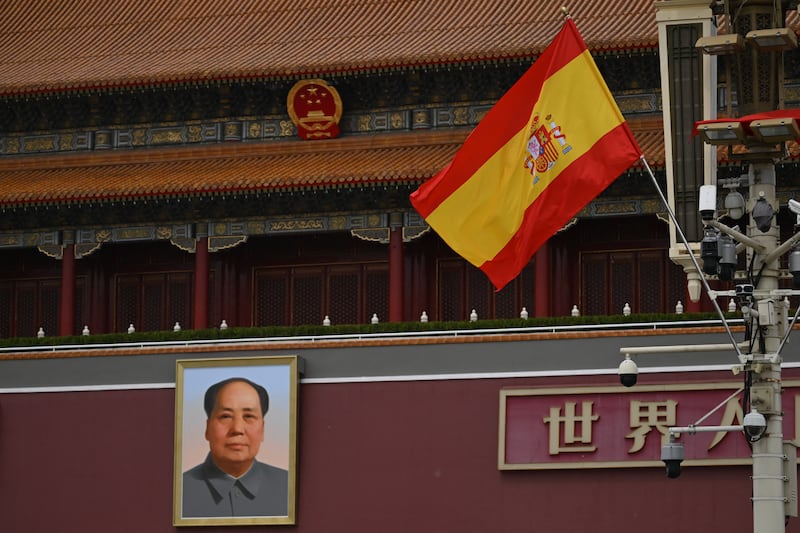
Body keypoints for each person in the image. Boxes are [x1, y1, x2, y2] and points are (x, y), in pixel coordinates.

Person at [182, 377, 288, 518]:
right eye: (226, 416)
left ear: (262, 429)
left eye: (249, 416)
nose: (237, 429)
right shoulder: (179, 490)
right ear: (207, 428)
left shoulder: (289, 487)